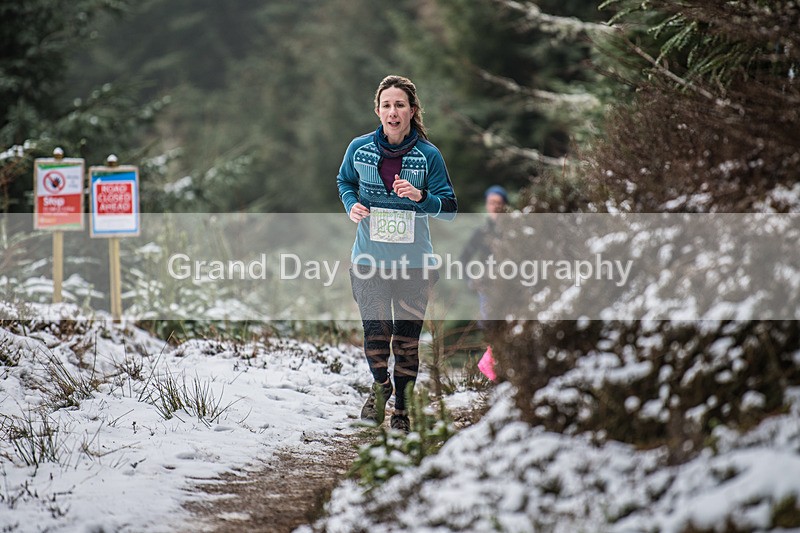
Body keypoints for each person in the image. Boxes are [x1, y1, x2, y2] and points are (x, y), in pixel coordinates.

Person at [337, 75, 457, 432]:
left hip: (414, 266)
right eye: (387, 105)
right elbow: (345, 181)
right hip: (369, 262)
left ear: (412, 110)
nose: (393, 111)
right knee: (375, 336)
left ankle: (402, 410)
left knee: (406, 342)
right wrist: (351, 204)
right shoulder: (359, 149)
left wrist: (421, 198)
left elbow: (449, 208)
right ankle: (380, 387)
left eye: (400, 104)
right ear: (378, 111)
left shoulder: (428, 156)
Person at [459, 185, 509, 326]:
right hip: (488, 286)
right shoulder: (481, 233)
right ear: (487, 205)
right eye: (491, 203)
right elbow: (464, 258)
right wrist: (470, 280)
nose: (495, 207)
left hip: (511, 284)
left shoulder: (513, 230)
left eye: (499, 203)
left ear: (505, 205)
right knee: (490, 326)